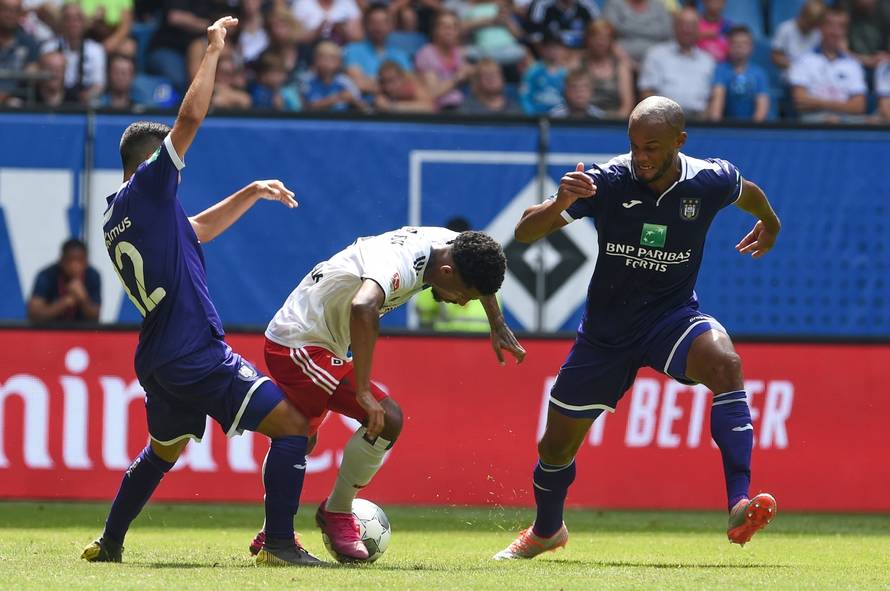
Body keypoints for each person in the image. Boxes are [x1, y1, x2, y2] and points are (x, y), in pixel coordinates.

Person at [494, 95, 781, 560]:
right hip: (606, 334)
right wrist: (562, 201)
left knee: (726, 363)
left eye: (652, 147)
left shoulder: (710, 178)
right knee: (555, 448)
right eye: (634, 146)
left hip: (671, 319)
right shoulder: (607, 181)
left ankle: (738, 504)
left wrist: (770, 222)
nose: (640, 157)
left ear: (679, 141)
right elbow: (525, 232)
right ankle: (547, 530)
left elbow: (746, 191)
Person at [81, 17, 321, 568]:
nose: (179, 171)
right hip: (193, 350)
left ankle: (110, 542)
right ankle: (279, 545)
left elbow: (199, 230)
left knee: (161, 451)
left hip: (158, 357)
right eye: (172, 162)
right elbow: (189, 118)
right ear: (150, 163)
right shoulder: (148, 186)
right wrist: (213, 50)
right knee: (293, 427)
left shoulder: (121, 215)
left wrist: (251, 191)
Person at [248, 226, 525, 560]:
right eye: (466, 295)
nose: (464, 303)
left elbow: (477, 257)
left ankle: (273, 534)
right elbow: (363, 306)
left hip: (316, 338)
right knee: (386, 417)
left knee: (297, 434)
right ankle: (337, 512)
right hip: (299, 344)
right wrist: (363, 390)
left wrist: (496, 321)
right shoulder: (398, 263)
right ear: (447, 272)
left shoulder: (452, 247)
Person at [789, 8, 867, 123]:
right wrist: (844, 106)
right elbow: (800, 102)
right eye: (830, 25)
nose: (835, 32)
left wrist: (818, 104)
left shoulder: (853, 65)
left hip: (845, 121)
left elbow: (859, 106)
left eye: (841, 27)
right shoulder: (803, 60)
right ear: (820, 28)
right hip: (813, 121)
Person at [638, 7, 715, 120]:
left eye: (692, 25)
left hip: (699, 121)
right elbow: (647, 92)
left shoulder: (708, 60)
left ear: (698, 29)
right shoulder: (656, 54)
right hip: (664, 120)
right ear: (674, 27)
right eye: (683, 24)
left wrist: (706, 121)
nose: (687, 30)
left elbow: (713, 98)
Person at [41, 2, 106, 105]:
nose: (73, 23)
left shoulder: (96, 50)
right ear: (61, 22)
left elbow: (99, 84)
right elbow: (43, 82)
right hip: (55, 102)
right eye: (68, 19)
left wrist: (87, 97)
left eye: (77, 19)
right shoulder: (49, 48)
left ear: (84, 22)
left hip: (84, 104)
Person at [344, 3, 413, 96]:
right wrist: (392, 85)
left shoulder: (400, 53)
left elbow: (409, 83)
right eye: (374, 22)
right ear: (365, 25)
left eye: (383, 22)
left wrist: (373, 81)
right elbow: (359, 83)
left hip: (397, 103)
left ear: (391, 26)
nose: (378, 27)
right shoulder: (353, 50)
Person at [27, 238, 101, 323]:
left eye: (80, 261)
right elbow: (33, 315)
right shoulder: (47, 275)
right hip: (51, 328)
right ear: (61, 260)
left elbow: (95, 317)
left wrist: (83, 299)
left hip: (82, 330)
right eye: (70, 260)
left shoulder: (93, 276)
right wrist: (64, 303)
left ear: (86, 262)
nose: (75, 266)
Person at [708, 25, 769, 122]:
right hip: (726, 126)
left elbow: (761, 108)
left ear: (752, 47)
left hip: (752, 127)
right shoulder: (721, 70)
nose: (739, 47)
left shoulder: (759, 74)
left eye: (744, 43)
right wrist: (716, 126)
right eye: (735, 43)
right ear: (728, 46)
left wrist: (753, 128)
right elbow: (717, 104)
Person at [415, 10, 473, 111]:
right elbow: (432, 93)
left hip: (463, 108)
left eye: (454, 27)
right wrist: (458, 78)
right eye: (445, 27)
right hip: (439, 112)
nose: (450, 31)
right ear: (435, 31)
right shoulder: (426, 54)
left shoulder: (460, 53)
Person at [581, 19, 633, 118]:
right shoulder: (578, 63)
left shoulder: (621, 67)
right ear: (588, 39)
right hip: (584, 120)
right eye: (596, 37)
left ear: (612, 41)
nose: (600, 42)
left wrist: (613, 123)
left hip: (614, 120)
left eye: (605, 38)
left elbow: (627, 106)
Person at [602, 0, 672, 70]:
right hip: (622, 60)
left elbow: (668, 34)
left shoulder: (658, 6)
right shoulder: (615, 4)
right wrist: (628, 62)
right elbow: (606, 36)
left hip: (657, 62)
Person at [302, 39, 369, 111]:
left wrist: (354, 101)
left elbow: (365, 108)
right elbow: (306, 107)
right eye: (322, 57)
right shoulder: (306, 81)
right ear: (315, 59)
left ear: (339, 62)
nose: (327, 62)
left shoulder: (345, 82)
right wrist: (337, 98)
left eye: (332, 58)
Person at [0, 0, 40, 106]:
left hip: (16, 101)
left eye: (15, 11)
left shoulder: (29, 43)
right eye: (5, 10)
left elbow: (31, 78)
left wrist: (4, 97)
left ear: (20, 14)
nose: (10, 15)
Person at [771, 0, 824, 79]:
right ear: (802, 15)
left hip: (813, 74)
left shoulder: (818, 33)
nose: (811, 27)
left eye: (814, 24)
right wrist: (793, 66)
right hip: (790, 72)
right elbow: (775, 56)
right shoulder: (785, 28)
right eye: (809, 23)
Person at [520, 30, 567, 114]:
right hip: (536, 117)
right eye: (550, 46)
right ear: (543, 48)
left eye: (557, 47)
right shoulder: (532, 72)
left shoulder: (567, 73)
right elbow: (524, 97)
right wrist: (531, 116)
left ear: (562, 49)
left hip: (561, 118)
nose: (553, 50)